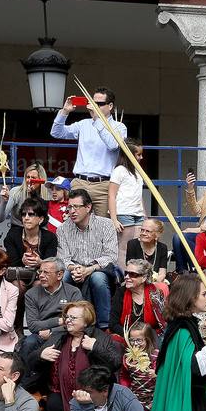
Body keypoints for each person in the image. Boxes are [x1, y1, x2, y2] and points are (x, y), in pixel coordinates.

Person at [42, 301, 122, 411]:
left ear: (86, 321)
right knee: (54, 408)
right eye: (67, 317)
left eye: (73, 317)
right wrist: (41, 355)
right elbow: (29, 361)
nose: (68, 320)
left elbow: (116, 362)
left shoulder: (99, 336)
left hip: (92, 391)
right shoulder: (59, 336)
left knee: (85, 410)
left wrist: (95, 347)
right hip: (60, 390)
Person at [51, 88, 125, 217]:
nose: (95, 106)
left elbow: (113, 145)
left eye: (99, 104)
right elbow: (56, 132)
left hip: (104, 184)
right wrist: (64, 112)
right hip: (80, 182)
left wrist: (97, 121)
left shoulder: (119, 127)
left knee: (103, 227)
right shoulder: (84, 124)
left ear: (110, 106)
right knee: (74, 224)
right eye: (92, 102)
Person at [57, 189, 118, 329]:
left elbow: (111, 257)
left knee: (97, 278)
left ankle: (104, 326)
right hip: (74, 269)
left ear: (88, 207)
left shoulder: (106, 225)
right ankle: (63, 322)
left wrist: (88, 270)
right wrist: (75, 268)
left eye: (76, 207)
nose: (72, 211)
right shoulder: (62, 229)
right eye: (69, 207)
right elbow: (63, 259)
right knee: (64, 276)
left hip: (99, 269)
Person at [19, 258, 80, 375]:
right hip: (41, 334)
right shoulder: (31, 294)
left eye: (46, 272)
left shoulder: (73, 292)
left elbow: (78, 321)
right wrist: (60, 320)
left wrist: (52, 331)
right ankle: (24, 380)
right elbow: (32, 325)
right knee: (28, 343)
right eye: (40, 272)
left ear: (59, 275)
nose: (41, 276)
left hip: (66, 332)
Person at [108, 138, 148, 267]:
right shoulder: (119, 170)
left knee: (138, 247)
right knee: (124, 248)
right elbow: (111, 195)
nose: (141, 157)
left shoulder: (138, 172)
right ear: (129, 154)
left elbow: (139, 195)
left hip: (138, 214)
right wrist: (114, 219)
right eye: (138, 154)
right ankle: (122, 279)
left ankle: (136, 276)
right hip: (124, 213)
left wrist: (145, 215)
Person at [2, 197, 57, 287]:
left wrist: (41, 262)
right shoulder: (13, 235)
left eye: (31, 214)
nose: (26, 218)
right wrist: (22, 261)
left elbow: (52, 262)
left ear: (41, 219)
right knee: (17, 286)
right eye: (24, 214)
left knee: (38, 285)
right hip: (18, 276)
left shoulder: (50, 237)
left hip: (41, 276)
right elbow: (11, 262)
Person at [109, 258, 166, 337]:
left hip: (151, 339)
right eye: (126, 273)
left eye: (132, 274)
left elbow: (163, 323)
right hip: (126, 337)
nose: (126, 277)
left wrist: (145, 338)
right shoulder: (121, 293)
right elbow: (113, 324)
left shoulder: (155, 294)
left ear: (144, 278)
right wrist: (132, 336)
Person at [0, 162, 50, 228]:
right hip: (18, 230)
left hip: (40, 231)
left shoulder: (48, 195)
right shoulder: (16, 192)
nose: (29, 180)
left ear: (41, 180)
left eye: (33, 178)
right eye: (27, 177)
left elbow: (48, 222)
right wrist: (4, 201)